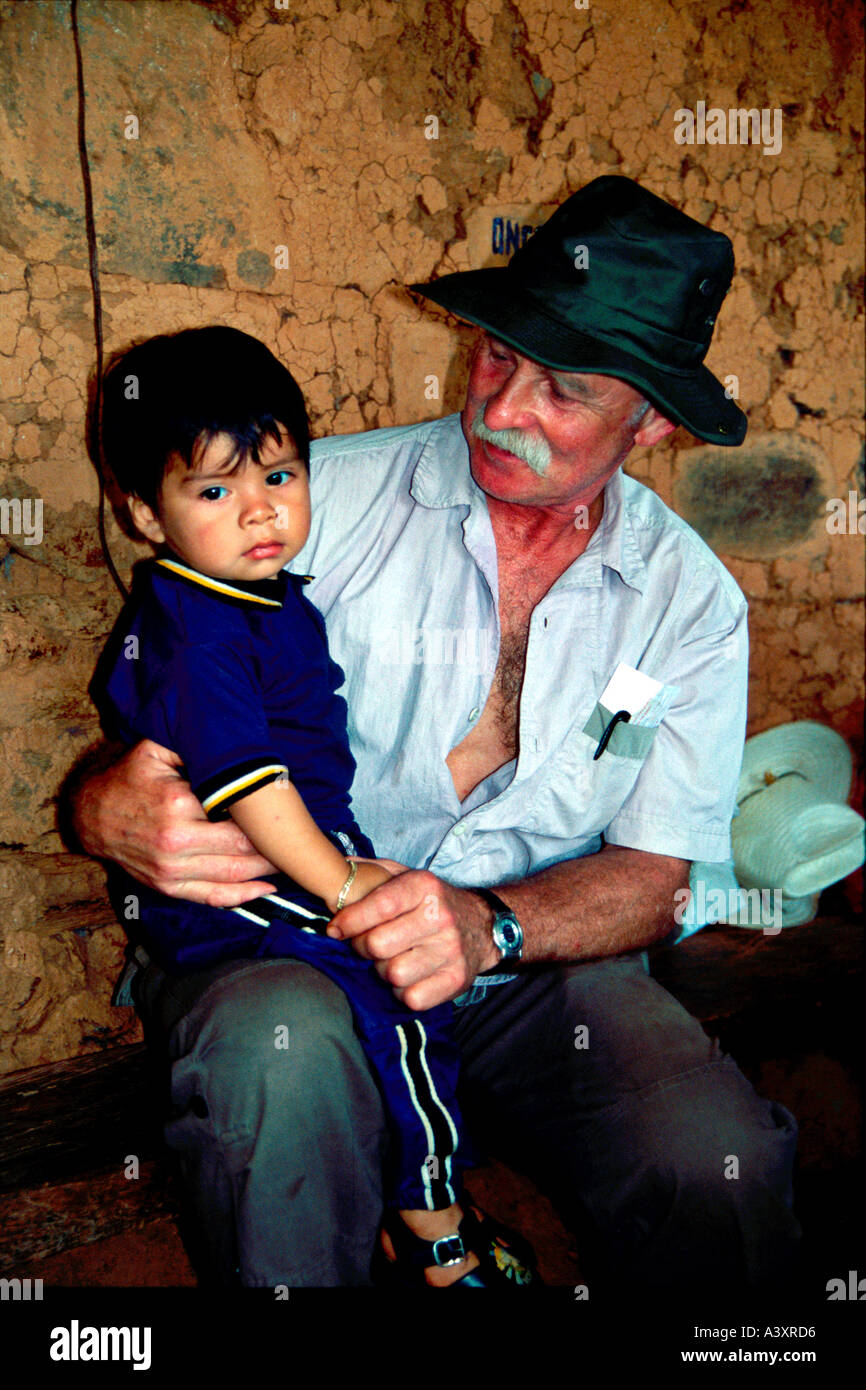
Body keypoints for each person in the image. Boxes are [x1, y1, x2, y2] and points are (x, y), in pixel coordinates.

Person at [73, 175, 801, 1293]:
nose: (501, 407)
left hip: (535, 966)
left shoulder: (688, 605)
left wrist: (488, 928)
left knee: (720, 1167)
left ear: (650, 419)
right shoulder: (323, 505)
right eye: (497, 355)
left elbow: (660, 876)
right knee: (282, 1072)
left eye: (563, 389)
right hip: (288, 949)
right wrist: (102, 804)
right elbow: (170, 677)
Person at [90, 325, 538, 1288]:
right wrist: (343, 882)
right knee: (400, 984)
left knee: (401, 970)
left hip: (283, 861)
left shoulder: (261, 597)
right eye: (214, 492)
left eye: (281, 478)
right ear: (143, 513)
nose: (261, 513)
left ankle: (407, 1212)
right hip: (238, 876)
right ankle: (435, 1232)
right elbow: (250, 785)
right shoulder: (198, 628)